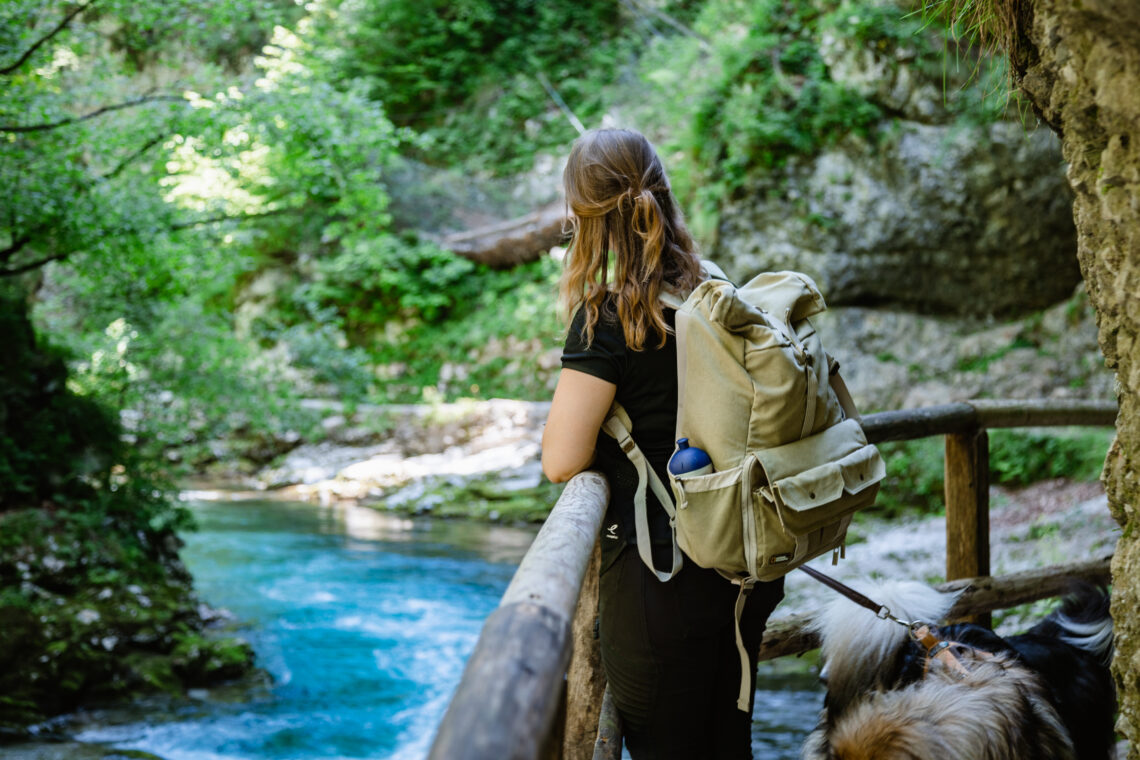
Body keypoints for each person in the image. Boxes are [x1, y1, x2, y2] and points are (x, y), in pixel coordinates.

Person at [541, 128, 785, 759]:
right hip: (741, 572)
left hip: (662, 583)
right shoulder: (717, 294)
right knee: (729, 744)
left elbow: (560, 460)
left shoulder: (609, 319)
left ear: (583, 220)